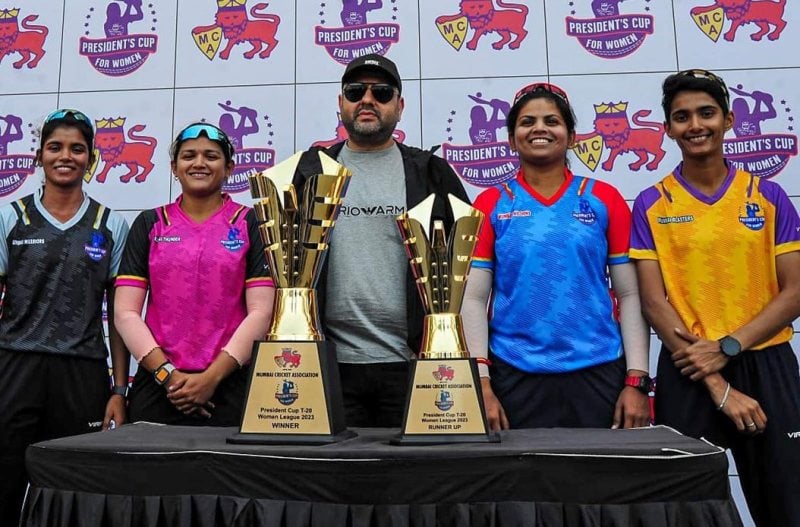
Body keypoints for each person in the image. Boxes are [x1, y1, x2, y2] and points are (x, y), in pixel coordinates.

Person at [630, 69, 800, 526]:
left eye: (706, 113)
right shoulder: (651, 202)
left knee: (787, 502)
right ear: (667, 129)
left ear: (728, 119)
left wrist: (728, 347)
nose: (695, 125)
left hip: (765, 360)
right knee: (685, 509)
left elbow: (795, 291)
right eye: (681, 117)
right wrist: (713, 377)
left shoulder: (768, 196)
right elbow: (653, 301)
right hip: (688, 368)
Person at [461, 82, 652, 431]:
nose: (539, 128)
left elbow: (630, 294)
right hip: (513, 375)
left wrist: (637, 380)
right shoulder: (490, 203)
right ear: (511, 137)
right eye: (527, 121)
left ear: (572, 136)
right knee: (520, 485)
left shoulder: (604, 199)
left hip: (598, 371)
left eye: (552, 120)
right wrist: (482, 381)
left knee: (597, 484)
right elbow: (473, 299)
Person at [292, 53, 469, 427]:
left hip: (415, 364)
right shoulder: (308, 173)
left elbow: (466, 272)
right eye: (355, 92)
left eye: (382, 92)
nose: (367, 100)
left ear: (400, 106)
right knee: (334, 482)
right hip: (325, 364)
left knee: (412, 482)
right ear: (340, 103)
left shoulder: (431, 173)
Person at [0, 109, 130, 525]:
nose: (66, 156)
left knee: (73, 489)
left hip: (83, 370)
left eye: (77, 148)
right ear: (39, 155)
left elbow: (121, 317)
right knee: (5, 478)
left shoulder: (110, 225)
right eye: (55, 147)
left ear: (91, 158)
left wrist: (119, 390)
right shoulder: (10, 217)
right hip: (15, 366)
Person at [114, 122, 274, 426]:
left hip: (230, 383)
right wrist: (168, 376)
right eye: (189, 156)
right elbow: (124, 313)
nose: (199, 163)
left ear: (229, 167)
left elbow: (262, 312)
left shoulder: (251, 222)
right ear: (174, 167)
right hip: (159, 383)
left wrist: (212, 378)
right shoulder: (150, 223)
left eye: (211, 156)